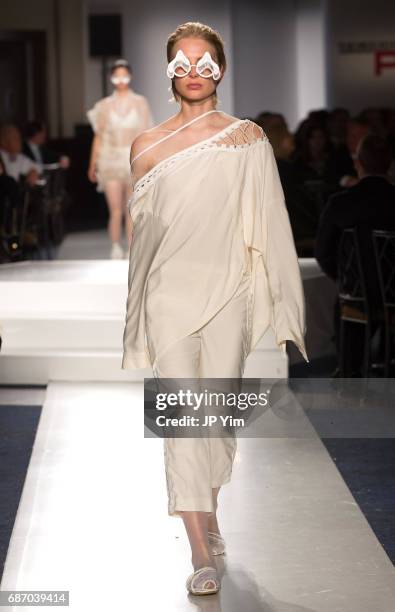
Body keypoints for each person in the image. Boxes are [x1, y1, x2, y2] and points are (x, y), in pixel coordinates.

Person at [121, 21, 308, 596]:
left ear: (220, 70)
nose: (195, 72)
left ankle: (210, 511)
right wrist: (136, 309)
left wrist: (276, 297)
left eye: (206, 62)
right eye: (185, 62)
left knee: (217, 416)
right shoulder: (145, 146)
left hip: (229, 292)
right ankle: (199, 547)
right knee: (184, 418)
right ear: (169, 69)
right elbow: (143, 237)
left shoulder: (245, 137)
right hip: (169, 295)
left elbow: (269, 221)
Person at [314, 133, 395, 375]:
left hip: (358, 294)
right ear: (391, 165)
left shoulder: (341, 203)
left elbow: (322, 251)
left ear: (358, 163)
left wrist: (344, 279)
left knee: (349, 302)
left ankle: (350, 372)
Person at [87, 59, 154, 259]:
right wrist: (93, 163)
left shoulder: (140, 102)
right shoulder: (103, 106)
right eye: (117, 75)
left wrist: (148, 161)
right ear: (111, 78)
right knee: (115, 209)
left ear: (130, 76)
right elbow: (98, 136)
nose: (121, 79)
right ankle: (115, 247)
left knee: (131, 208)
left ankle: (132, 249)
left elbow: (145, 134)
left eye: (125, 75)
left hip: (133, 160)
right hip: (109, 159)